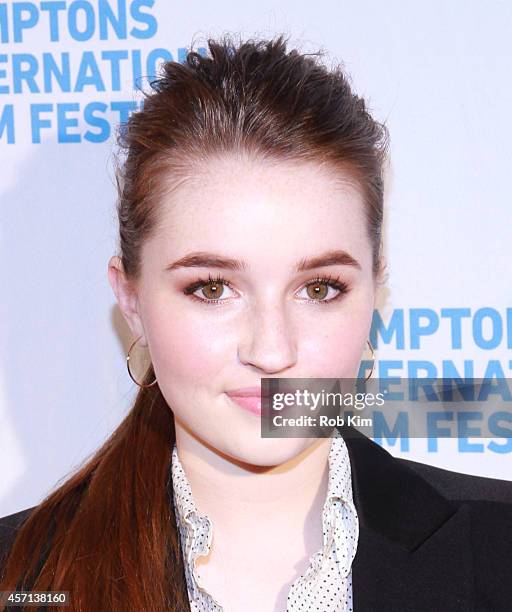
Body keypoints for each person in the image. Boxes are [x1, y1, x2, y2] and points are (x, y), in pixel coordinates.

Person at [1, 34, 511, 612]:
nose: (272, 350)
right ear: (132, 298)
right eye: (213, 288)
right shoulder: (17, 578)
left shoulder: (499, 549)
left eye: (319, 289)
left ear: (374, 291)